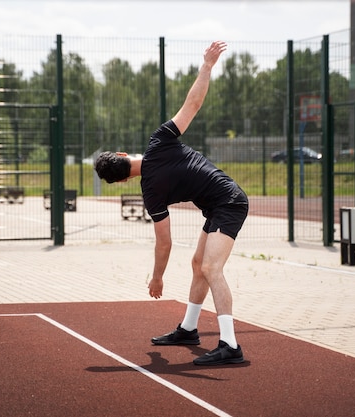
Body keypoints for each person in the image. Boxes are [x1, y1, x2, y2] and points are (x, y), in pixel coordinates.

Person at [94, 41, 248, 366]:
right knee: (198, 264)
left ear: (122, 180)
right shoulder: (159, 139)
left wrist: (157, 277)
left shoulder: (150, 193)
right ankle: (189, 329)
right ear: (123, 155)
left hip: (229, 202)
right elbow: (192, 104)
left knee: (211, 268)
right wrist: (206, 66)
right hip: (221, 203)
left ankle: (230, 345)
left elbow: (164, 243)